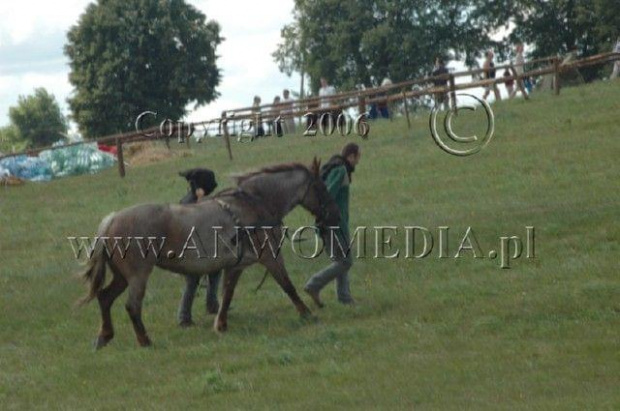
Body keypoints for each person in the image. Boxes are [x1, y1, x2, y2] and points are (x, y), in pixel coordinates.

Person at [304, 142, 361, 307]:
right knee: (345, 262)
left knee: (340, 260)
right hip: (334, 224)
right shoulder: (341, 170)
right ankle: (313, 285)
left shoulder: (335, 167)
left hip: (331, 224)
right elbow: (328, 195)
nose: (358, 161)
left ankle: (345, 298)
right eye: (358, 157)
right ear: (351, 156)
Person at [177, 168, 221, 326]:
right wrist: (202, 200)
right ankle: (184, 317)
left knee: (216, 272)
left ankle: (212, 303)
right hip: (192, 250)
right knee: (192, 282)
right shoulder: (191, 202)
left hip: (205, 247)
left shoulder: (191, 199)